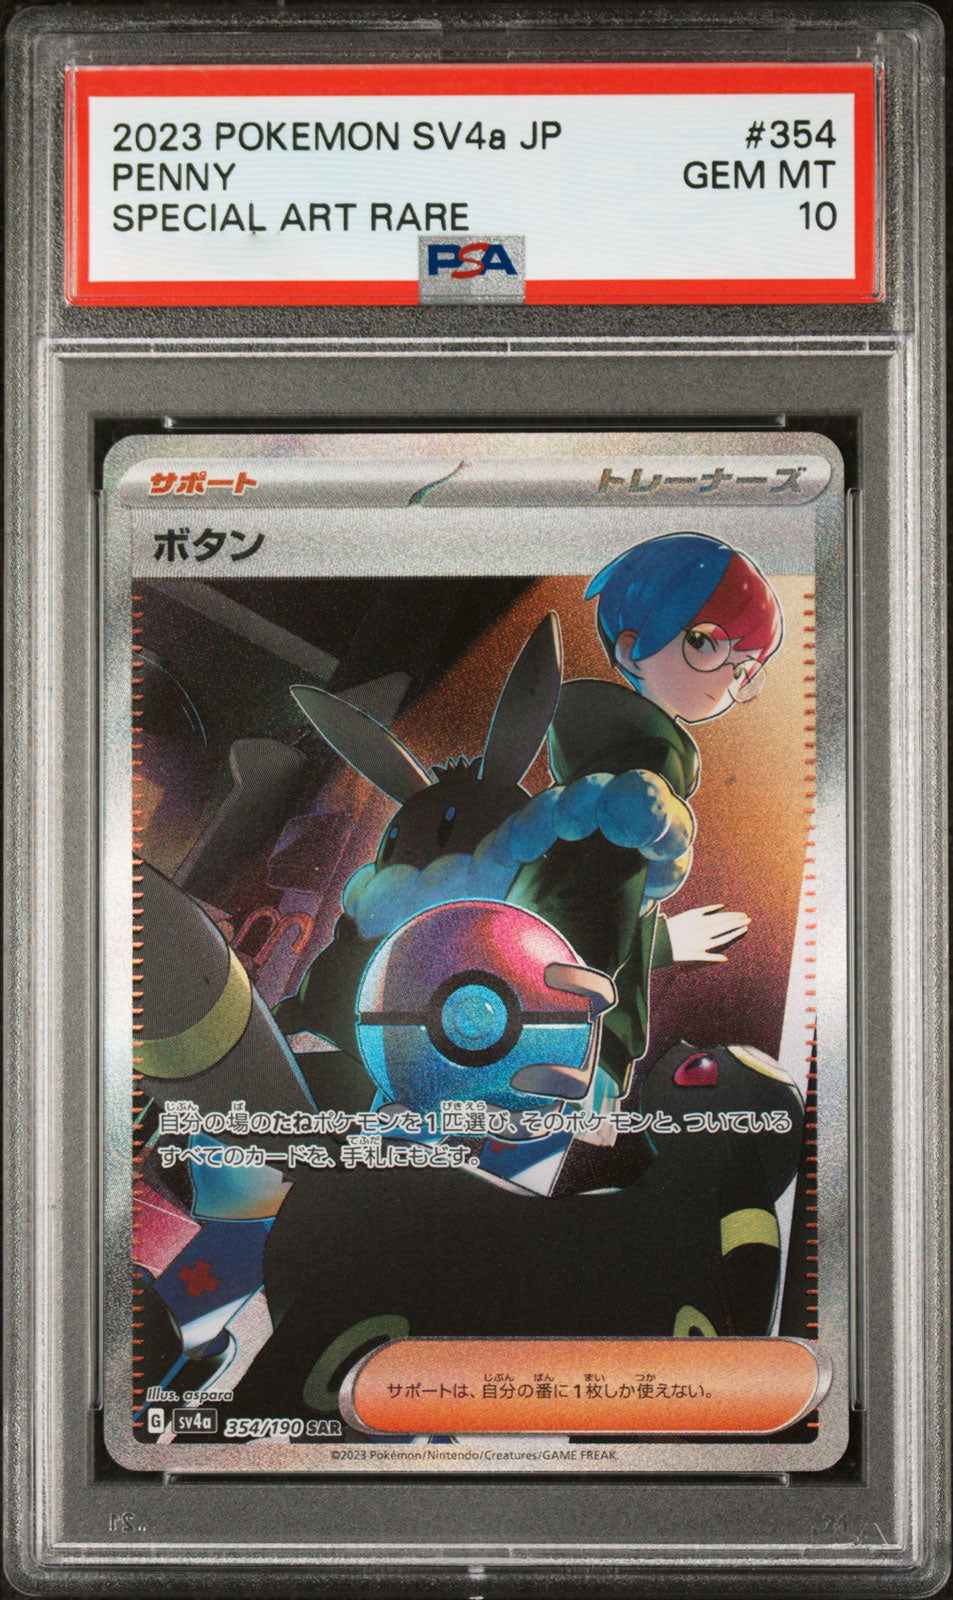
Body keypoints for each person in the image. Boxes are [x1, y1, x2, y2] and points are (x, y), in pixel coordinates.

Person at [508, 531, 784, 1099]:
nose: (726, 679)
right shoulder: (646, 758)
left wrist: (660, 940)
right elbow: (585, 905)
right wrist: (584, 1033)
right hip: (565, 1030)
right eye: (706, 644)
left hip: (546, 1009)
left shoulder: (619, 757)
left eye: (743, 668)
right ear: (632, 649)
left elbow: (592, 896)